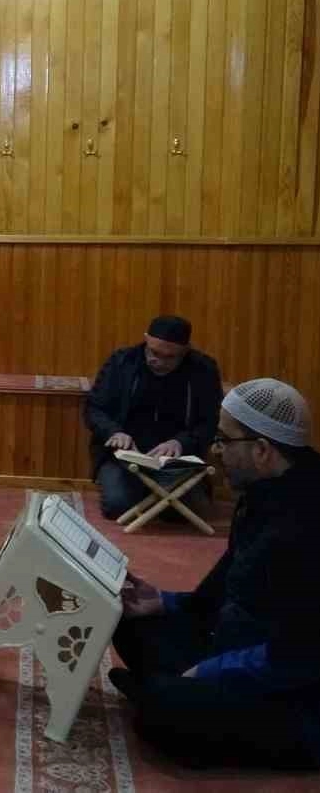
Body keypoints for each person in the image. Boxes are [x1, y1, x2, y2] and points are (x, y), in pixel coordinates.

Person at [109, 378, 320, 771]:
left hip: (293, 690)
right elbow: (228, 583)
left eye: (224, 440)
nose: (215, 450)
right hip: (238, 642)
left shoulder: (305, 527)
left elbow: (298, 656)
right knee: (124, 616)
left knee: (166, 712)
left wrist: (210, 671)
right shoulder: (262, 494)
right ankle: (162, 687)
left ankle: (161, 692)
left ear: (261, 450)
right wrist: (164, 602)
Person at [85, 315, 223, 520]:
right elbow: (94, 409)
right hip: (124, 457)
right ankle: (143, 492)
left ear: (185, 350)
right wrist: (114, 432)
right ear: (146, 339)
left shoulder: (203, 369)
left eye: (170, 357)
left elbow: (210, 422)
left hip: (177, 462)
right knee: (118, 505)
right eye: (154, 353)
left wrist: (181, 442)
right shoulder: (122, 362)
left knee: (188, 513)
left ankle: (148, 493)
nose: (159, 362)